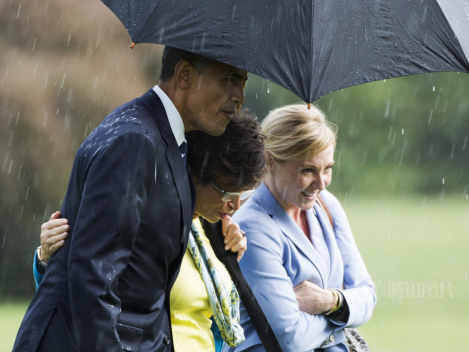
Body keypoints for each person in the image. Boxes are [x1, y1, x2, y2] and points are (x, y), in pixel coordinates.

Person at [13, 46, 248, 352]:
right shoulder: (134, 140)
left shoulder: (166, 139)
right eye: (229, 79)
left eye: (242, 82)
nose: (239, 96)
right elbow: (93, 278)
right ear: (184, 75)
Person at [33, 110, 267, 352]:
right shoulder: (145, 216)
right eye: (229, 192)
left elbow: (215, 324)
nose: (236, 205)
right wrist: (47, 261)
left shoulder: (213, 231)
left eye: (244, 194)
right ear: (198, 171)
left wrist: (229, 260)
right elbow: (86, 292)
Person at [224, 104, 376, 352]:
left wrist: (329, 301)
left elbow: (368, 296)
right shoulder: (253, 226)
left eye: (327, 169)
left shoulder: (327, 205)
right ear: (270, 161)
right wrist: (340, 319)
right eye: (308, 170)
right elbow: (291, 339)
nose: (321, 184)